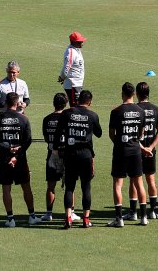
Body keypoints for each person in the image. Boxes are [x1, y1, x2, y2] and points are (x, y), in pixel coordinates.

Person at [53, 89, 102, 229]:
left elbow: (58, 132)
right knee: (86, 187)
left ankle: (68, 217)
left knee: (69, 187)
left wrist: (56, 149)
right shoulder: (92, 115)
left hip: (70, 154)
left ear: (78, 100)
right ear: (90, 102)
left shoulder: (67, 113)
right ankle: (86, 219)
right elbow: (99, 133)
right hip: (86, 155)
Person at [0, 92, 39, 227]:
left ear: (5, 103)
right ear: (17, 104)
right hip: (20, 159)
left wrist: (8, 150)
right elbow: (28, 141)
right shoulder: (24, 119)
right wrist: (17, 154)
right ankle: (32, 216)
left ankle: (10, 219)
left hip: (3, 158)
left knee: (6, 188)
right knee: (26, 186)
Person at [107, 82, 147, 227]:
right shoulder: (140, 111)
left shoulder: (116, 111)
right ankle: (143, 217)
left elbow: (111, 134)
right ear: (134, 94)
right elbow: (141, 132)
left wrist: (119, 143)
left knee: (118, 184)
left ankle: (119, 219)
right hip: (135, 149)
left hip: (120, 150)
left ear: (122, 93)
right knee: (139, 183)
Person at [129, 81, 158, 220]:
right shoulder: (155, 109)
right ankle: (153, 211)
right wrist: (151, 147)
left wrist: (142, 148)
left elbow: (132, 133)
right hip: (150, 150)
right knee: (151, 180)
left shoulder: (134, 109)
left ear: (136, 94)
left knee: (133, 181)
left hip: (136, 151)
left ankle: (133, 213)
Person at [41, 92, 68, 222]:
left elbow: (46, 138)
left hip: (51, 153)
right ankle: (70, 212)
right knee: (69, 186)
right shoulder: (68, 117)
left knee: (51, 186)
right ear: (66, 103)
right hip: (66, 154)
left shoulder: (47, 119)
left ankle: (49, 213)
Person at [58, 31, 86, 106]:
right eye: (80, 41)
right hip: (73, 84)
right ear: (74, 42)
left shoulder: (76, 50)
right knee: (75, 107)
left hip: (77, 83)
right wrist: (62, 77)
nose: (82, 42)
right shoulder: (70, 52)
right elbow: (66, 67)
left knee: (77, 106)